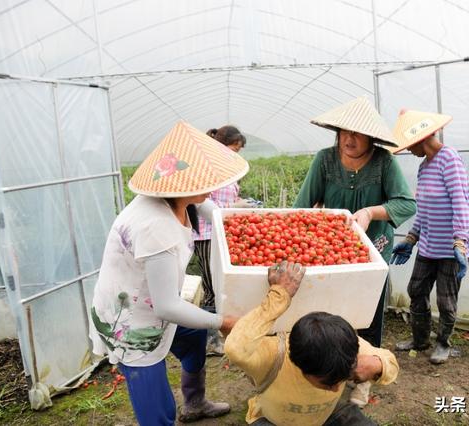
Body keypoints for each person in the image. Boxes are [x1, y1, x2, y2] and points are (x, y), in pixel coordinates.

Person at [89, 121, 249, 425]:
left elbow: (211, 211)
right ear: (183, 184)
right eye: (205, 180)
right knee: (157, 409)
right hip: (133, 323)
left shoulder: (179, 199)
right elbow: (167, 307)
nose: (212, 186)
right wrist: (222, 322)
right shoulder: (155, 226)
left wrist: (240, 224)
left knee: (193, 337)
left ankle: (195, 403)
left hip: (156, 302)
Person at [293, 96, 416, 406]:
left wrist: (371, 212)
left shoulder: (384, 162)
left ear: (370, 138)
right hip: (331, 249)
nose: (349, 139)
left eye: (357, 134)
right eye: (344, 133)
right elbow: (302, 206)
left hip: (373, 249)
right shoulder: (325, 160)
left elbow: (406, 203)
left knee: (368, 313)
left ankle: (363, 379)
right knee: (329, 311)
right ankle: (327, 371)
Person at [225, 261, 399, 426]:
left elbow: (391, 363)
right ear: (298, 363)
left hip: (325, 417)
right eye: (326, 383)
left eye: (342, 379)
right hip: (274, 420)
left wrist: (376, 364)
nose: (335, 390)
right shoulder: (272, 357)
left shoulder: (343, 345)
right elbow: (235, 348)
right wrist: (279, 295)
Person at [390, 109, 469, 364]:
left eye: (409, 145)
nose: (408, 150)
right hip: (428, 246)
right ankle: (420, 340)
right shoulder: (424, 166)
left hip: (451, 249)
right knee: (416, 289)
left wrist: (460, 241)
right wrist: (411, 238)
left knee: (446, 300)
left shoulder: (449, 159)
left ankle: (444, 344)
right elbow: (424, 209)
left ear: (421, 139)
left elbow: (461, 204)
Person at [194, 125, 251, 356]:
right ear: (220, 145)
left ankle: (223, 332)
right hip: (207, 235)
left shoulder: (226, 168)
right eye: (233, 149)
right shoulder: (206, 169)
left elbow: (227, 198)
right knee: (211, 287)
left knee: (225, 286)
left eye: (238, 151)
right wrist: (232, 207)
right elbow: (200, 203)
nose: (235, 154)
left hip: (223, 232)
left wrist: (237, 204)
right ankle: (210, 340)